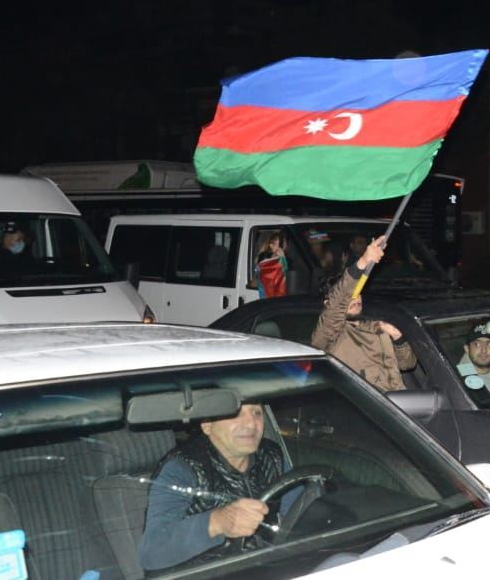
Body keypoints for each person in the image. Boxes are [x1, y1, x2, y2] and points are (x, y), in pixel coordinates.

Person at [139, 403, 296, 571]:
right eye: (235, 414)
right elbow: (151, 553)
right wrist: (216, 522)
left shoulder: (272, 457)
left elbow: (300, 515)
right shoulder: (182, 469)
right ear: (207, 425)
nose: (251, 423)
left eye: (257, 412)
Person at [310, 236, 417, 392]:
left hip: (398, 405)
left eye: (358, 292)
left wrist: (397, 337)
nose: (356, 298)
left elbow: (408, 365)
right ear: (328, 304)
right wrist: (363, 262)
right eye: (350, 295)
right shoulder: (328, 337)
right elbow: (337, 303)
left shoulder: (375, 326)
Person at [253, 233, 288, 298]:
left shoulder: (286, 257)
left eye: (284, 244)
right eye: (280, 245)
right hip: (266, 292)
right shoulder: (264, 257)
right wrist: (282, 259)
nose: (283, 247)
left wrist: (283, 258)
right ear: (271, 246)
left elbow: (286, 275)